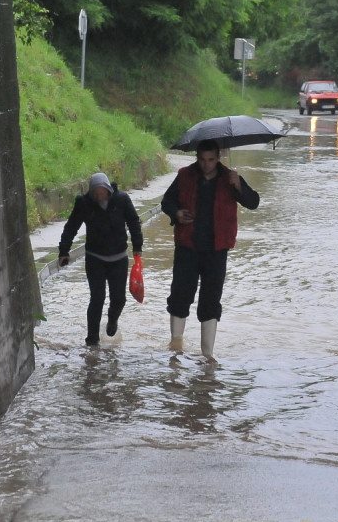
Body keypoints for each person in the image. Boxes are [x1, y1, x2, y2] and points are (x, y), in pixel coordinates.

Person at [161, 139, 260, 359]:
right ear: (197, 158)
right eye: (203, 160)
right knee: (180, 295)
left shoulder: (230, 178)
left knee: (211, 300)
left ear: (219, 157)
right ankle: (176, 346)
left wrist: (239, 186)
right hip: (187, 246)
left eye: (211, 160)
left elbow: (253, 203)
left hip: (217, 250)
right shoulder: (185, 175)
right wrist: (176, 213)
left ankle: (208, 355)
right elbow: (167, 201)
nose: (207, 164)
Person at [58, 172, 143, 346]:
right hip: (95, 258)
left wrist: (137, 247)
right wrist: (63, 250)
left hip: (119, 257)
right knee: (97, 297)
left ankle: (112, 320)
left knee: (119, 298)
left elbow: (134, 222)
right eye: (95, 194)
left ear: (108, 190)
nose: (99, 197)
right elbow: (71, 226)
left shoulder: (122, 200)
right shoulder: (84, 204)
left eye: (102, 193)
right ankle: (92, 339)